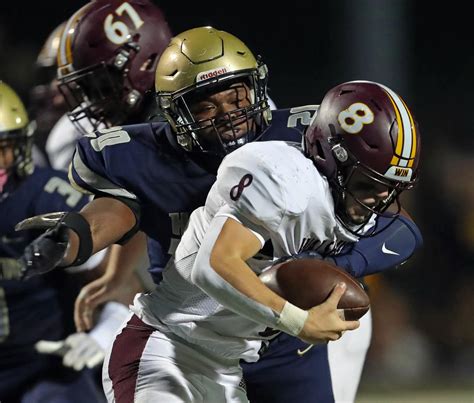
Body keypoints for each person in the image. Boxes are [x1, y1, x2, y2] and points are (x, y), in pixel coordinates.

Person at [17, 27, 423, 402]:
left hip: (278, 342)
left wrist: (331, 266)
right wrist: (76, 239)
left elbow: (400, 231)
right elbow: (130, 213)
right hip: (191, 335)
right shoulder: (263, 169)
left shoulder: (303, 154)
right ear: (175, 113)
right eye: (206, 106)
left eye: (236, 97)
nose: (228, 114)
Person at [0, 81, 106, 402]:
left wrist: (105, 333)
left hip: (42, 372)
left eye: (0, 150)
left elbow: (114, 274)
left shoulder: (43, 195)